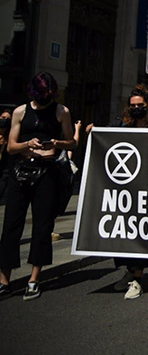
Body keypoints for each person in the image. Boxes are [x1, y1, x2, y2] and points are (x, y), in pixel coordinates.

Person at [86, 84, 148, 299]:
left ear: (147, 106)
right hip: (124, 190)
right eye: (132, 106)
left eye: (139, 105)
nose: (135, 109)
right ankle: (129, 272)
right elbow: (105, 141)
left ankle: (137, 279)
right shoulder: (120, 125)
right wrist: (93, 132)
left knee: (140, 233)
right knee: (124, 233)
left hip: (147, 191)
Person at [0, 72, 76, 300]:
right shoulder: (21, 112)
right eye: (43, 95)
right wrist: (26, 143)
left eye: (50, 95)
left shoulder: (61, 111)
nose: (47, 99)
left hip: (48, 172)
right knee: (11, 225)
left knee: (42, 226)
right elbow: (11, 147)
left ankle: (34, 278)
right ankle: (4, 279)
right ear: (34, 93)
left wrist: (57, 143)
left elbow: (72, 142)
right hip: (21, 171)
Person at [0, 108, 13, 204]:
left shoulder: (10, 137)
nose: (4, 120)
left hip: (4, 173)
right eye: (3, 117)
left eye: (8, 119)